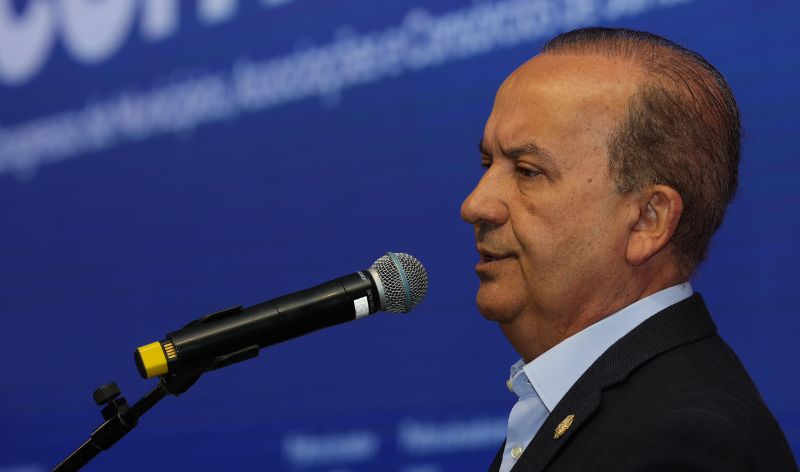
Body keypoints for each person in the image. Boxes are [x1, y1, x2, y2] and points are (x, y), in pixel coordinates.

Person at [460, 27, 797, 472]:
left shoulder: (688, 442)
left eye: (527, 171)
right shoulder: (583, 403)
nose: (475, 204)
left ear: (647, 220)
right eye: (488, 163)